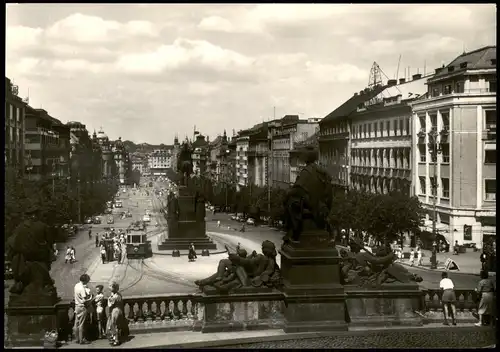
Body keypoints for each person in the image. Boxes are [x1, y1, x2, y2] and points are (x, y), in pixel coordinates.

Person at [106, 282, 129, 346]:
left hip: (115, 311)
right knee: (115, 325)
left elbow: (110, 305)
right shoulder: (117, 294)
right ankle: (114, 338)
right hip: (117, 311)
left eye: (110, 286)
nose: (109, 287)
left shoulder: (115, 296)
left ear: (114, 288)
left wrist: (110, 299)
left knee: (114, 325)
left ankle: (116, 340)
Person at [74, 274, 93, 344]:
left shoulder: (76, 285)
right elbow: (85, 300)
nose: (88, 281)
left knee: (76, 323)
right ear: (85, 280)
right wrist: (91, 298)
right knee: (82, 324)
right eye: (88, 280)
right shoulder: (82, 288)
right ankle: (82, 340)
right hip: (82, 307)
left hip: (76, 306)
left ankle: (76, 339)